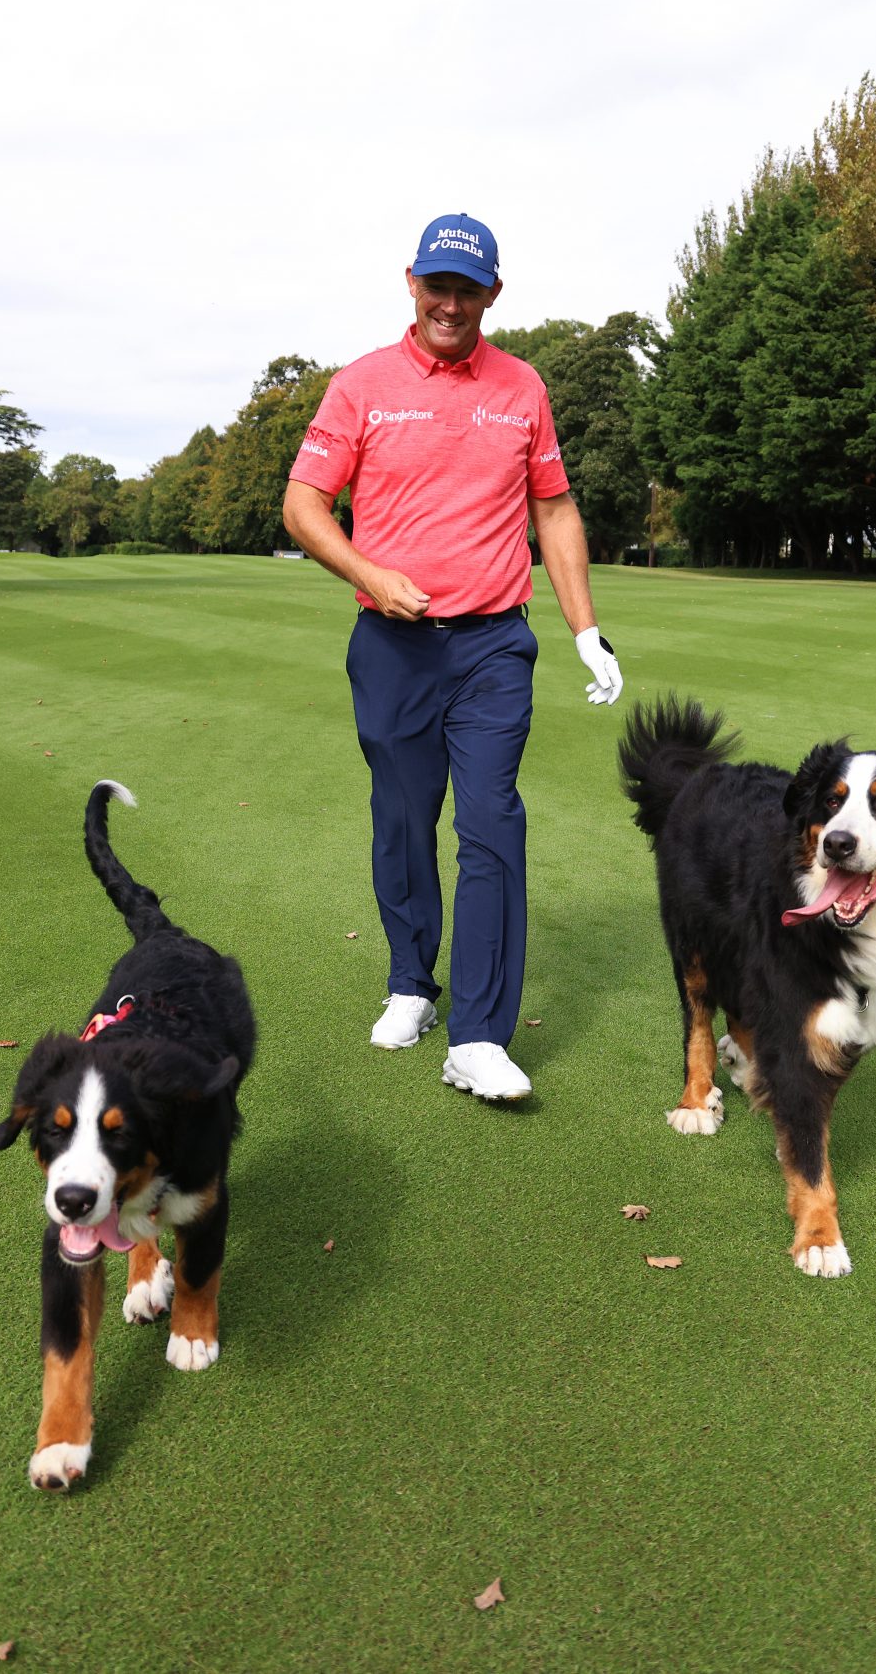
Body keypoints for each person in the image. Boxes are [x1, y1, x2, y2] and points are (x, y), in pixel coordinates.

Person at [282, 213, 623, 1103]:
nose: (451, 303)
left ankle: (479, 1034)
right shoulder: (362, 385)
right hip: (391, 645)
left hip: (493, 646)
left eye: (469, 289)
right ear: (411, 283)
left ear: (492, 296)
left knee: (491, 823)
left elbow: (554, 509)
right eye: (438, 285)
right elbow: (304, 503)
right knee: (402, 822)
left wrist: (586, 629)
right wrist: (367, 572)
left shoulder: (522, 387)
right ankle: (410, 981)